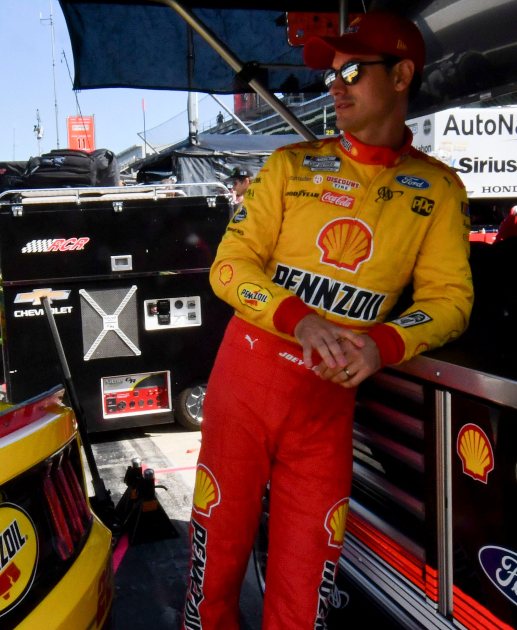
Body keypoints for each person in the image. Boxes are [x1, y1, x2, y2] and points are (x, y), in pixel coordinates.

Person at [184, 13, 473, 630]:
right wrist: (301, 322)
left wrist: (381, 347)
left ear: (400, 76)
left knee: (306, 583)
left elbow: (451, 300)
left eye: (350, 70)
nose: (334, 86)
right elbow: (228, 267)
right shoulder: (290, 165)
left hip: (327, 405)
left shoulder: (438, 189)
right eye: (331, 73)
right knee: (213, 575)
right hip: (247, 382)